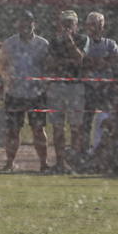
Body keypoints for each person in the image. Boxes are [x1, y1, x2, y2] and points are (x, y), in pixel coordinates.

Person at [0, 11, 50, 171]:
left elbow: (48, 66)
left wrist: (45, 84)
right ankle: (9, 163)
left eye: (28, 22)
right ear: (17, 24)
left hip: (36, 94)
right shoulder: (9, 43)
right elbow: (2, 65)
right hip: (14, 93)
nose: (25, 26)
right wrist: (7, 78)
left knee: (38, 129)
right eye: (22, 22)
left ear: (34, 24)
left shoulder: (43, 44)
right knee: (12, 130)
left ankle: (44, 164)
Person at [79, 12, 118, 172]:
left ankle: (105, 154)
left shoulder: (110, 43)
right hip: (88, 88)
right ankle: (84, 155)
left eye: (97, 24)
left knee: (106, 122)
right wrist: (101, 62)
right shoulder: (84, 42)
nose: (93, 28)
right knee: (85, 123)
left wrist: (98, 62)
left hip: (106, 89)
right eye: (90, 24)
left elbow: (117, 59)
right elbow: (82, 60)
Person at [44, 10, 86, 172]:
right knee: (58, 126)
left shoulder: (82, 39)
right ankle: (60, 162)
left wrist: (69, 42)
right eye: (65, 23)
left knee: (75, 126)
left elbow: (80, 59)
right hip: (57, 85)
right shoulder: (54, 41)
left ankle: (74, 161)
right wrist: (68, 61)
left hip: (75, 86)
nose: (67, 27)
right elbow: (50, 63)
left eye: (70, 23)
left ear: (76, 25)